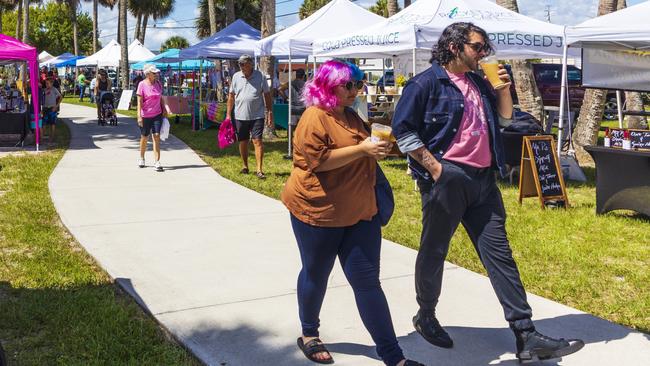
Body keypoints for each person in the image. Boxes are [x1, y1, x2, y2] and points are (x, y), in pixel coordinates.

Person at [391, 22, 584, 363]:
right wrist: (436, 169)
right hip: (446, 179)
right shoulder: (424, 84)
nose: (484, 54)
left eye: (485, 49)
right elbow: (402, 132)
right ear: (454, 47)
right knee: (435, 250)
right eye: (478, 47)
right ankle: (426, 314)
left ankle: (525, 334)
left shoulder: (481, 83)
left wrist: (504, 89)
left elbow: (506, 122)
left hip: (483, 181)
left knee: (500, 256)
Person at [281, 60, 425, 366]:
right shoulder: (313, 118)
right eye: (349, 84)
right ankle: (309, 334)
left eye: (358, 84)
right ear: (327, 85)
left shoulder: (351, 115)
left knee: (367, 282)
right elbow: (319, 162)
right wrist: (363, 150)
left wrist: (379, 147)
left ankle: (393, 356)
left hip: (361, 212)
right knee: (316, 273)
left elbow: (361, 149)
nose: (356, 90)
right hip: (319, 212)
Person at [226, 54, 273, 179]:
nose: (240, 66)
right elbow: (231, 96)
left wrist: (269, 112)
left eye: (243, 63)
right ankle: (245, 166)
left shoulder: (260, 76)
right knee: (243, 141)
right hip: (240, 115)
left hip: (257, 115)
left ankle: (259, 169)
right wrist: (227, 115)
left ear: (250, 64)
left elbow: (267, 95)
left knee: (257, 141)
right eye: (239, 64)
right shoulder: (236, 76)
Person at [136, 64, 167, 172]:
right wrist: (139, 115)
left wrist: (165, 108)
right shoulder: (142, 84)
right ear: (148, 74)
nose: (156, 74)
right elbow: (139, 102)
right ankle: (141, 157)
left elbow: (161, 98)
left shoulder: (158, 84)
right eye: (154, 73)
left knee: (157, 136)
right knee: (144, 136)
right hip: (145, 115)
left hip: (157, 114)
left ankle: (157, 161)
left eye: (156, 73)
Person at [42, 77, 62, 142]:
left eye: (48, 83)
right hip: (45, 108)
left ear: (52, 83)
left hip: (52, 108)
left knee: (52, 124)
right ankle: (41, 137)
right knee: (44, 123)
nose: (46, 85)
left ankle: (52, 137)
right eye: (46, 83)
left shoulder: (54, 89)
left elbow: (60, 97)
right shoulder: (44, 90)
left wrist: (56, 106)